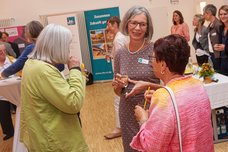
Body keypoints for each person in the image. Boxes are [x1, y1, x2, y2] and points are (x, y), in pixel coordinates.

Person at [130, 34, 214, 151]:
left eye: (153, 58)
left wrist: (143, 119)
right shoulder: (198, 86)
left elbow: (152, 146)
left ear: (163, 65)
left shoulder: (164, 97)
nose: (151, 62)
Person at [20, 24, 88, 151]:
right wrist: (75, 70)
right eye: (67, 46)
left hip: (43, 136)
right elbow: (73, 103)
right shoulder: (43, 70)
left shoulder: (32, 64)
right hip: (55, 141)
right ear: (58, 47)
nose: (68, 50)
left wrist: (76, 77)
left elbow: (51, 92)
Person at [112, 6, 159, 151]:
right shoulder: (120, 53)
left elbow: (169, 86)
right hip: (127, 111)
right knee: (131, 147)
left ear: (147, 27)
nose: (137, 28)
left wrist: (145, 86)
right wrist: (118, 85)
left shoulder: (156, 50)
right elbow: (117, 91)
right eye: (133, 23)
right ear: (127, 24)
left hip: (151, 110)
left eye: (142, 24)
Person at [104, 16, 128, 140]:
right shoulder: (120, 38)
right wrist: (110, 54)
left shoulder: (118, 39)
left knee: (118, 101)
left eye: (108, 25)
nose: (107, 28)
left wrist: (117, 78)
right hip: (123, 74)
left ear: (114, 25)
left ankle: (119, 128)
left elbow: (120, 60)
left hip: (120, 75)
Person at [0, 44, 15, 140]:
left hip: (15, 92)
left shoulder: (13, 61)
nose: (1, 53)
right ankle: (9, 132)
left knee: (21, 110)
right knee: (3, 114)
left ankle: (24, 129)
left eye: (2, 51)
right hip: (1, 94)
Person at [203, 4, 222, 72]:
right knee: (216, 72)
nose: (203, 16)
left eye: (204, 13)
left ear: (209, 13)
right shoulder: (210, 24)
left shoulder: (218, 24)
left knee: (220, 73)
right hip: (212, 53)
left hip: (218, 55)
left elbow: (222, 40)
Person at [214, 5, 228, 76]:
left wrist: (225, 47)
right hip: (223, 60)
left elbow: (225, 46)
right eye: (221, 14)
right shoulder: (221, 27)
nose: (223, 16)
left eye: (225, 14)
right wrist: (218, 46)